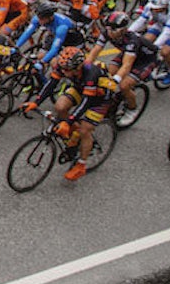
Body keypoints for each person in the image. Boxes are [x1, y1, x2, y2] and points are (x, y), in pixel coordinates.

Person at [26, 46, 120, 182]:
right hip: (81, 88)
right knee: (60, 106)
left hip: (100, 98)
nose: (63, 72)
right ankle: (74, 137)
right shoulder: (64, 66)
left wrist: (68, 122)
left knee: (84, 129)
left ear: (77, 67)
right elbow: (52, 84)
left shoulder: (91, 73)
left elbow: (86, 103)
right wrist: (36, 102)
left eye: (67, 70)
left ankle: (81, 164)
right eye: (62, 68)